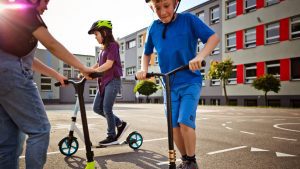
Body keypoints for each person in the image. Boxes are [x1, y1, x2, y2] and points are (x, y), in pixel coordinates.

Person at [0, 0, 94, 169]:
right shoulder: (25, 10)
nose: (47, 6)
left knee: (10, 141)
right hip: (12, 75)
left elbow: (27, 59)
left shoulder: (10, 16)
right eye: (45, 1)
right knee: (40, 130)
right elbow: (51, 44)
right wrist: (82, 67)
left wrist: (56, 75)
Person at [136, 0, 220, 168]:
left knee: (184, 121)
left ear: (175, 3)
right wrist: (143, 69)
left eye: (166, 6)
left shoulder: (188, 20)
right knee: (173, 126)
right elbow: (146, 54)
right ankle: (185, 160)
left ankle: (192, 161)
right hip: (169, 84)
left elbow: (213, 37)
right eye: (157, 8)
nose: (162, 12)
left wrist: (200, 56)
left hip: (190, 80)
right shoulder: (154, 27)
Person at [88, 20, 129, 146]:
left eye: (96, 34)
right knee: (96, 108)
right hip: (103, 82)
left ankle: (111, 137)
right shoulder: (102, 49)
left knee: (106, 108)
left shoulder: (113, 45)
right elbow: (99, 64)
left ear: (104, 32)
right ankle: (119, 123)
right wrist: (87, 70)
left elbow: (108, 64)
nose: (95, 37)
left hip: (113, 81)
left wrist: (93, 72)